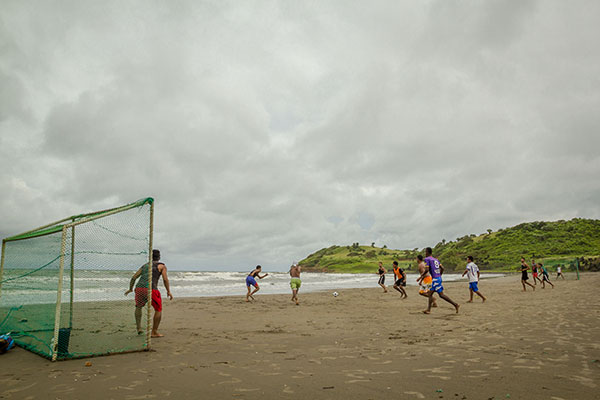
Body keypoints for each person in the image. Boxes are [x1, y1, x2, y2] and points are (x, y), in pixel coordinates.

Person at [125, 249, 173, 338]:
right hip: (151, 289)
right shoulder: (161, 266)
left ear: (150, 257)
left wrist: (130, 289)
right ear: (159, 257)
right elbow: (165, 279)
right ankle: (154, 331)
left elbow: (134, 277)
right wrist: (168, 291)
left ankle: (139, 328)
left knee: (138, 307)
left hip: (139, 288)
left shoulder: (145, 266)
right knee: (158, 309)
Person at [419, 247, 459, 314]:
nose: (425, 253)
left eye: (425, 252)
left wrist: (421, 276)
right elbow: (442, 268)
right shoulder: (436, 259)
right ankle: (428, 309)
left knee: (440, 295)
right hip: (438, 278)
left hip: (435, 279)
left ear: (427, 252)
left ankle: (455, 304)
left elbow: (426, 270)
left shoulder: (427, 259)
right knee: (431, 294)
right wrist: (439, 275)